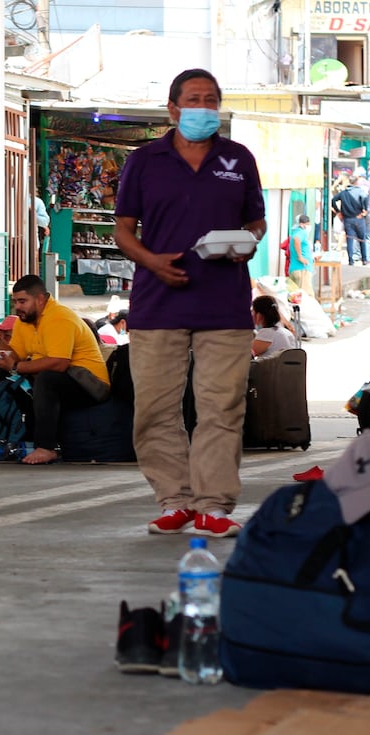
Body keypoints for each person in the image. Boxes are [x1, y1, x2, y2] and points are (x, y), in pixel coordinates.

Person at [113, 67, 267, 537]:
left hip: (225, 304)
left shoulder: (238, 158)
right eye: (194, 99)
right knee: (154, 410)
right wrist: (152, 262)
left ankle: (213, 507)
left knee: (222, 408)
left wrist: (246, 241)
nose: (204, 107)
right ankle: (175, 501)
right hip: (157, 303)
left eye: (211, 100)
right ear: (173, 108)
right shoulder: (144, 161)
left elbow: (256, 221)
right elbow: (123, 230)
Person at [0, 274, 111, 465]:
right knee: (1, 376)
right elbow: (15, 356)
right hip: (58, 378)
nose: (18, 307)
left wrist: (16, 366)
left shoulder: (60, 318)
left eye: (22, 301)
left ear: (40, 299)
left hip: (89, 384)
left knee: (47, 379)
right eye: (15, 302)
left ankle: (46, 447)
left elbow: (59, 363)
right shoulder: (25, 321)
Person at [331, 173, 370, 267]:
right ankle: (364, 259)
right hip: (359, 218)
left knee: (350, 240)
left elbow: (333, 200)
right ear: (356, 182)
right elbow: (365, 198)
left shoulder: (344, 193)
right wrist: (364, 209)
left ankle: (351, 260)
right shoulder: (360, 191)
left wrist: (338, 212)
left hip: (347, 219)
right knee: (362, 239)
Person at [288, 214, 314, 296]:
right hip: (302, 269)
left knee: (295, 297)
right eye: (307, 224)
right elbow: (296, 239)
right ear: (301, 224)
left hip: (295, 268)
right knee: (307, 296)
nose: (309, 226)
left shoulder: (295, 232)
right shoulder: (301, 232)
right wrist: (300, 257)